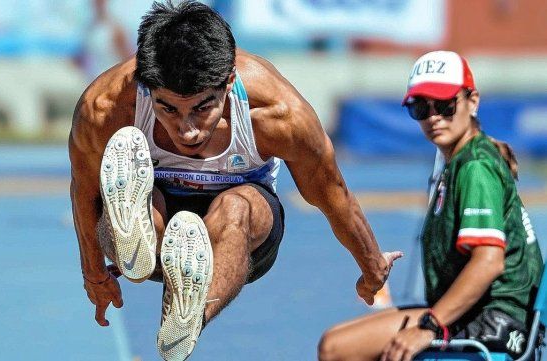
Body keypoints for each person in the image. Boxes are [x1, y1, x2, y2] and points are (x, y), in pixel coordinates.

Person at [68, 1, 401, 359]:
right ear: (148, 89)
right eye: (168, 109)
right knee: (138, 205)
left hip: (240, 237)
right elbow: (84, 189)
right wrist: (95, 275)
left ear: (228, 82)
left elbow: (333, 195)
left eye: (201, 107)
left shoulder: (278, 114)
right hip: (158, 223)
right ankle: (137, 243)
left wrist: (371, 264)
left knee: (235, 207)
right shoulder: (106, 107)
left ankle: (190, 315)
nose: (188, 130)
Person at [317, 50, 544, 361]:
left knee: (337, 349)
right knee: (337, 343)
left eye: (446, 104)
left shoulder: (475, 167)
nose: (434, 116)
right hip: (477, 312)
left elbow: (489, 262)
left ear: (472, 101)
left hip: (495, 321)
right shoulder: (462, 158)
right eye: (421, 107)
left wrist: (429, 326)